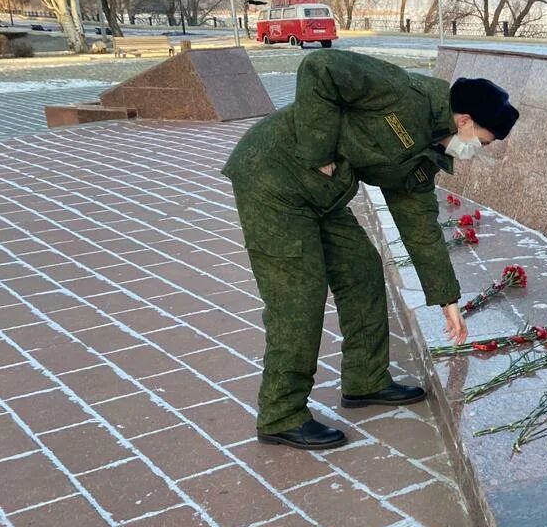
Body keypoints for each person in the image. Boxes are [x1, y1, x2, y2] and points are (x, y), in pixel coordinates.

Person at [222, 48, 519, 450]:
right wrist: (321, 150)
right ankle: (281, 413)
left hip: (322, 197)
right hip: (274, 179)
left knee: (361, 269)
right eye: (480, 142)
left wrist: (447, 299)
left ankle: (365, 379)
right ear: (465, 120)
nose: (476, 151)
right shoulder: (401, 93)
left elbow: (420, 228)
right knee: (298, 295)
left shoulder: (428, 151)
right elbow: (319, 67)